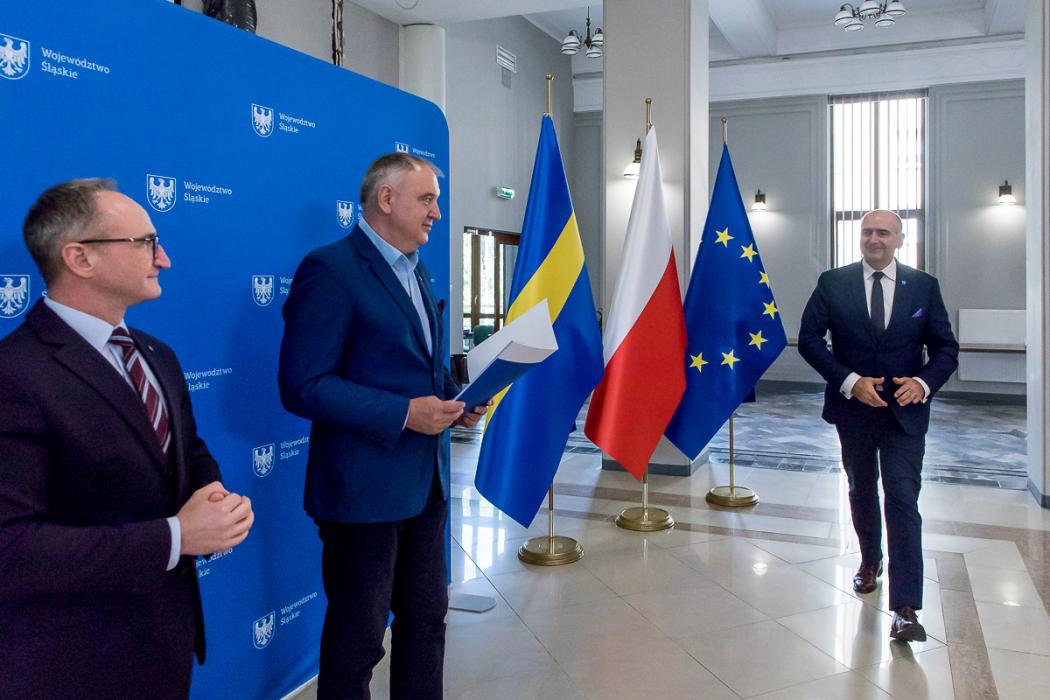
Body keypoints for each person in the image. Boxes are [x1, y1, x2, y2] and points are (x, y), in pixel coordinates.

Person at [0, 179, 255, 700]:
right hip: (71, 662)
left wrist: (214, 500)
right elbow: (12, 547)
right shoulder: (15, 374)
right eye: (144, 243)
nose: (163, 259)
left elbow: (187, 452)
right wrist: (177, 537)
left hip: (164, 640)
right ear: (80, 258)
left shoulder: (157, 354)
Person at [278, 153, 486, 699]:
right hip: (362, 495)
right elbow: (303, 384)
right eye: (427, 199)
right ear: (386, 199)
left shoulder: (417, 269)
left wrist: (455, 399)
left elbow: (416, 368)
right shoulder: (330, 270)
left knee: (426, 624)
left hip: (426, 486)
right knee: (357, 643)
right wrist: (404, 413)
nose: (437, 213)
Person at [798, 209, 958, 642]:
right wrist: (850, 381)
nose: (874, 239)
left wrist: (922, 384)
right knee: (861, 489)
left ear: (899, 239)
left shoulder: (924, 286)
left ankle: (906, 608)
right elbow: (809, 340)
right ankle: (870, 559)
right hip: (854, 411)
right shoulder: (833, 283)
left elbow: (946, 348)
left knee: (903, 499)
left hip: (905, 414)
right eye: (867, 231)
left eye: (884, 233)